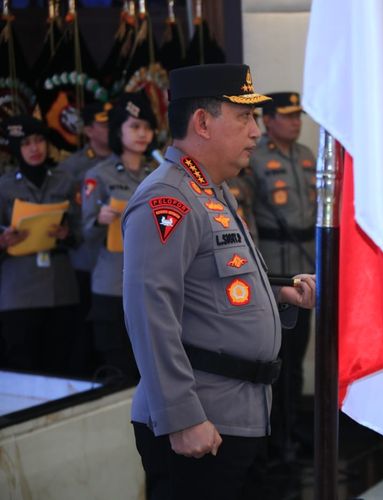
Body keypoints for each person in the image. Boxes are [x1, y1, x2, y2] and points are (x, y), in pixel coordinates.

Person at [122, 63, 315, 500]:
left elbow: (215, 282)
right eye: (244, 117)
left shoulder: (211, 188)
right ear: (203, 122)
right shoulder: (167, 198)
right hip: (200, 421)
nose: (256, 132)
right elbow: (150, 316)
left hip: (235, 413)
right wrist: (181, 418)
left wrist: (280, 292)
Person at [249, 91, 317, 461]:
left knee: (298, 355)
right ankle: (271, 438)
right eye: (287, 116)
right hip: (272, 271)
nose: (296, 122)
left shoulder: (306, 156)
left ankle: (289, 431)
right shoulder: (255, 158)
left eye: (298, 116)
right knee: (276, 356)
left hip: (304, 264)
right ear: (269, 119)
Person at [82, 92, 156, 382]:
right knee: (117, 371)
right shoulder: (98, 175)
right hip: (112, 285)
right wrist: (99, 222)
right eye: (134, 127)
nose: (142, 134)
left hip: (151, 283)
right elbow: (83, 237)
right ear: (117, 130)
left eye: (147, 127)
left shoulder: (158, 175)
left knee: (149, 369)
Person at [0, 115, 79, 374]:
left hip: (60, 285)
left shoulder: (64, 180)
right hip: (19, 289)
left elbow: (83, 230)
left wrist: (67, 232)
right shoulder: (4, 186)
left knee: (61, 363)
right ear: (16, 149)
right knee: (22, 365)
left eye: (39, 141)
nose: (34, 149)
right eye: (26, 144)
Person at [57, 100, 112, 376]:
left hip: (116, 260)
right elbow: (62, 210)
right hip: (84, 259)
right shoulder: (73, 167)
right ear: (89, 130)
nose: (110, 128)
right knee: (82, 332)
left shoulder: (124, 162)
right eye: (103, 123)